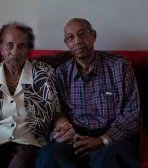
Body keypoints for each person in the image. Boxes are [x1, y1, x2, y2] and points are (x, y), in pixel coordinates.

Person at [36, 18, 141, 168]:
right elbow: (55, 112)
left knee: (105, 159)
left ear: (93, 36)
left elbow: (133, 114)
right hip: (77, 138)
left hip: (113, 138)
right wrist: (63, 135)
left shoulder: (120, 67)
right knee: (49, 154)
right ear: (67, 44)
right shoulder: (61, 74)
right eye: (71, 38)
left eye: (82, 34)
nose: (77, 41)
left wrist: (103, 140)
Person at [0, 22, 67, 168]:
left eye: (22, 46)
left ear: (29, 49)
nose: (15, 52)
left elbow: (56, 113)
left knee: (20, 164)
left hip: (29, 143)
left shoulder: (44, 73)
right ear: (1, 48)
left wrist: (64, 126)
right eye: (10, 45)